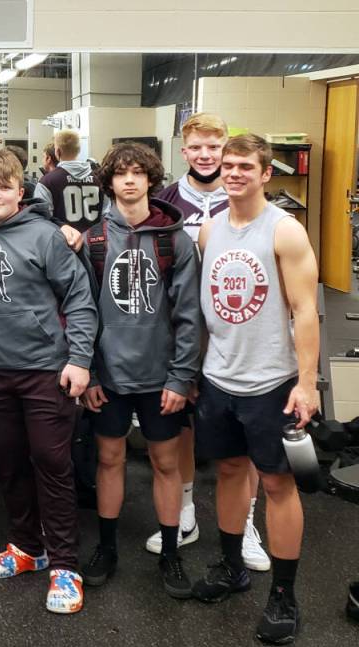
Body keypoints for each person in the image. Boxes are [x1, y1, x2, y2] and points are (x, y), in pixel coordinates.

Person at [191, 134, 318, 645]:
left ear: (266, 173)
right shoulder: (209, 231)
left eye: (246, 165)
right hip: (219, 377)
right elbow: (203, 308)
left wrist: (306, 383)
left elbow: (306, 310)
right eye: (228, 165)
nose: (234, 172)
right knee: (228, 470)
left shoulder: (284, 230)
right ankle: (231, 568)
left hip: (272, 382)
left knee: (278, 484)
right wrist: (195, 371)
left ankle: (284, 596)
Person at [0, 150, 97, 613]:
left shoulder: (47, 236)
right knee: (9, 462)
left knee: (51, 463)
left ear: (21, 192)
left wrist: (79, 359)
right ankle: (25, 547)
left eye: (4, 186)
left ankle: (63, 564)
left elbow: (78, 298)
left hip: (43, 369)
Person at [78, 142, 200, 599]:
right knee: (109, 460)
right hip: (109, 374)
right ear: (108, 183)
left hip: (160, 377)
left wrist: (180, 377)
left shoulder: (175, 241)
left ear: (151, 180)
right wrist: (89, 374)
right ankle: (107, 548)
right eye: (121, 174)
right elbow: (82, 312)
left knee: (165, 462)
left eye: (138, 173)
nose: (129, 180)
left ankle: (171, 551)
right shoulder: (94, 240)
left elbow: (189, 315)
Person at [152, 113, 270, 572]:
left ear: (227, 148)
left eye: (214, 147)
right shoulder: (164, 201)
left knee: (245, 435)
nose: (206, 155)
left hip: (237, 328)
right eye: (197, 147)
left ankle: (248, 522)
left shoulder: (246, 196)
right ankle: (184, 513)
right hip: (179, 327)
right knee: (179, 421)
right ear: (184, 151)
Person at [34, 130, 106, 246]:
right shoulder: (99, 180)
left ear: (57, 152)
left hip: (62, 245)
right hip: (95, 245)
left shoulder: (46, 182)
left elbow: (41, 221)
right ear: (79, 150)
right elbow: (106, 216)